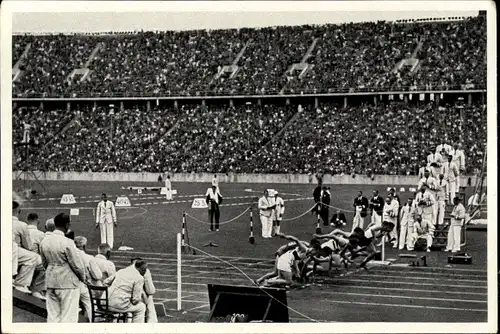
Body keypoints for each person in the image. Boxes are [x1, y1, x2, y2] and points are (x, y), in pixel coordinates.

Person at [39, 213, 86, 323]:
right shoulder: (68, 242)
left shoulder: (45, 241)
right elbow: (77, 265)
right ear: (67, 225)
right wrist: (83, 278)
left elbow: (44, 263)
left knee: (52, 317)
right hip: (67, 283)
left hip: (51, 281)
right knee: (68, 317)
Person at [103, 259, 148, 323]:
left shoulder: (121, 271)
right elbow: (135, 300)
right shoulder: (139, 278)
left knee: (127, 304)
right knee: (141, 307)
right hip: (118, 306)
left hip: (104, 303)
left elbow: (105, 282)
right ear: (142, 269)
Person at [12, 201, 40, 295]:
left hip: (12, 252)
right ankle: (21, 283)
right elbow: (28, 246)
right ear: (18, 211)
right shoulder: (21, 225)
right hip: (13, 252)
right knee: (33, 257)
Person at [74, 236, 103, 322]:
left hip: (72, 284)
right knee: (90, 305)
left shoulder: (70, 254)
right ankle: (93, 322)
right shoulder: (89, 257)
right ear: (84, 246)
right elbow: (98, 275)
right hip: (85, 286)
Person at [25, 213, 47, 300]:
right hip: (34, 261)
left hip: (21, 260)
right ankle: (36, 290)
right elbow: (43, 251)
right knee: (45, 266)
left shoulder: (23, 230)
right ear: (38, 221)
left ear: (27, 220)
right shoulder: (40, 234)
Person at [131, 257, 157, 323]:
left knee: (146, 297)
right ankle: (151, 321)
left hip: (124, 297)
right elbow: (151, 291)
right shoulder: (144, 272)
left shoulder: (125, 271)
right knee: (148, 298)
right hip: (135, 299)